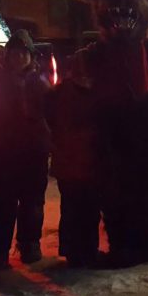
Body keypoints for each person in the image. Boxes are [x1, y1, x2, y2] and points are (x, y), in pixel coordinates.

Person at [73, 0, 148, 268]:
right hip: (111, 135)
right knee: (115, 194)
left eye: (128, 13)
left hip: (147, 132)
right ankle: (122, 245)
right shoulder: (94, 54)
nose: (122, 19)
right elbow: (81, 96)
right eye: (116, 13)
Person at [0, 30, 51, 279]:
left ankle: (29, 243)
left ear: (31, 57)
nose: (19, 58)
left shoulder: (40, 85)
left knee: (33, 204)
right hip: (3, 157)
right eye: (14, 53)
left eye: (23, 53)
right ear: (7, 56)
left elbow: (51, 120)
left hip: (33, 156)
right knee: (1, 206)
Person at [46, 57, 104, 267]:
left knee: (85, 209)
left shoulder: (62, 93)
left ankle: (81, 250)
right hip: (74, 161)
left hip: (84, 162)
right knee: (76, 209)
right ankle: (78, 251)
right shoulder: (64, 95)